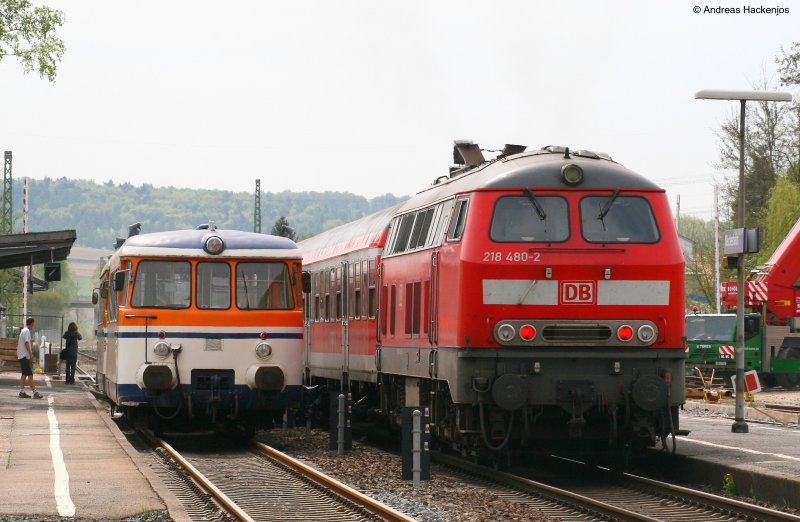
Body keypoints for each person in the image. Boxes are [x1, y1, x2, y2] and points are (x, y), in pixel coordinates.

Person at [17, 317, 42, 399]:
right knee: (30, 375)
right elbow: (27, 343)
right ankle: (35, 393)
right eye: (33, 324)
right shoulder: (27, 331)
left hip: (22, 356)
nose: (33, 325)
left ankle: (21, 392)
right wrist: (31, 355)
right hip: (24, 356)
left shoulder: (23, 330)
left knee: (24, 374)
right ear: (31, 323)